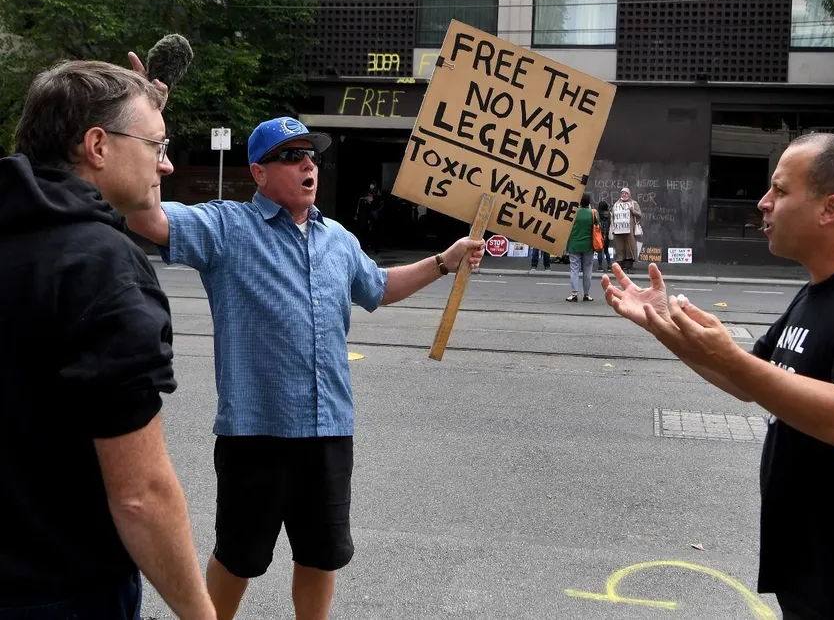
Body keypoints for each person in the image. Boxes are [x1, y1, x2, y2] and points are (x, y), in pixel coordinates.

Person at [125, 115, 485, 620]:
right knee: (238, 557)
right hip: (256, 432)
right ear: (259, 172)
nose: (308, 165)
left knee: (321, 555)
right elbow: (147, 220)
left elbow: (379, 288)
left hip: (328, 429)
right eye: (291, 156)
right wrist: (147, 144)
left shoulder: (337, 237)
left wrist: (444, 261)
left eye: (311, 155)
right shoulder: (227, 227)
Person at [602, 133, 834, 620]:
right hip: (820, 571)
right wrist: (663, 325)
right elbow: (751, 382)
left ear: (830, 208)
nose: (763, 203)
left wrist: (731, 358)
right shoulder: (820, 288)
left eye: (781, 190)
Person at [0, 60, 215, 618]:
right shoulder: (101, 266)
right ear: (97, 145)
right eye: (157, 145)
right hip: (60, 590)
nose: (166, 163)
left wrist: (140, 112)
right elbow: (140, 494)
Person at [564, 192, 596, 302]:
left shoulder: (573, 212)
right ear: (589, 202)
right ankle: (586, 294)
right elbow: (598, 227)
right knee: (588, 270)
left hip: (574, 245)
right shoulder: (593, 213)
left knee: (574, 269)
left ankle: (574, 294)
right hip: (589, 245)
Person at [609, 187, 641, 273]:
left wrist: (632, 210)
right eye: (622, 193)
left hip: (629, 230)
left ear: (629, 194)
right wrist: (612, 225)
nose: (624, 195)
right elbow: (612, 216)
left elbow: (640, 215)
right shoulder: (616, 204)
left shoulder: (633, 203)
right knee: (619, 247)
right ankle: (620, 263)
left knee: (630, 246)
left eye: (626, 193)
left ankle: (629, 264)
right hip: (618, 230)